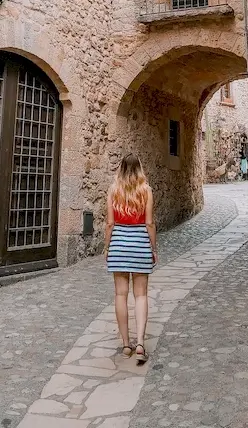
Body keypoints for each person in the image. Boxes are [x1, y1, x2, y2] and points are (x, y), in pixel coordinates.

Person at [105, 154, 156, 363]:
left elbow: (109, 223)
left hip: (118, 244)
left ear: (121, 168)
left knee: (120, 295)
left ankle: (126, 344)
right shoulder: (146, 191)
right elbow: (150, 223)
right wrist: (153, 248)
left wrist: (107, 247)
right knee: (141, 295)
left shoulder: (113, 190)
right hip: (140, 244)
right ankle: (141, 342)